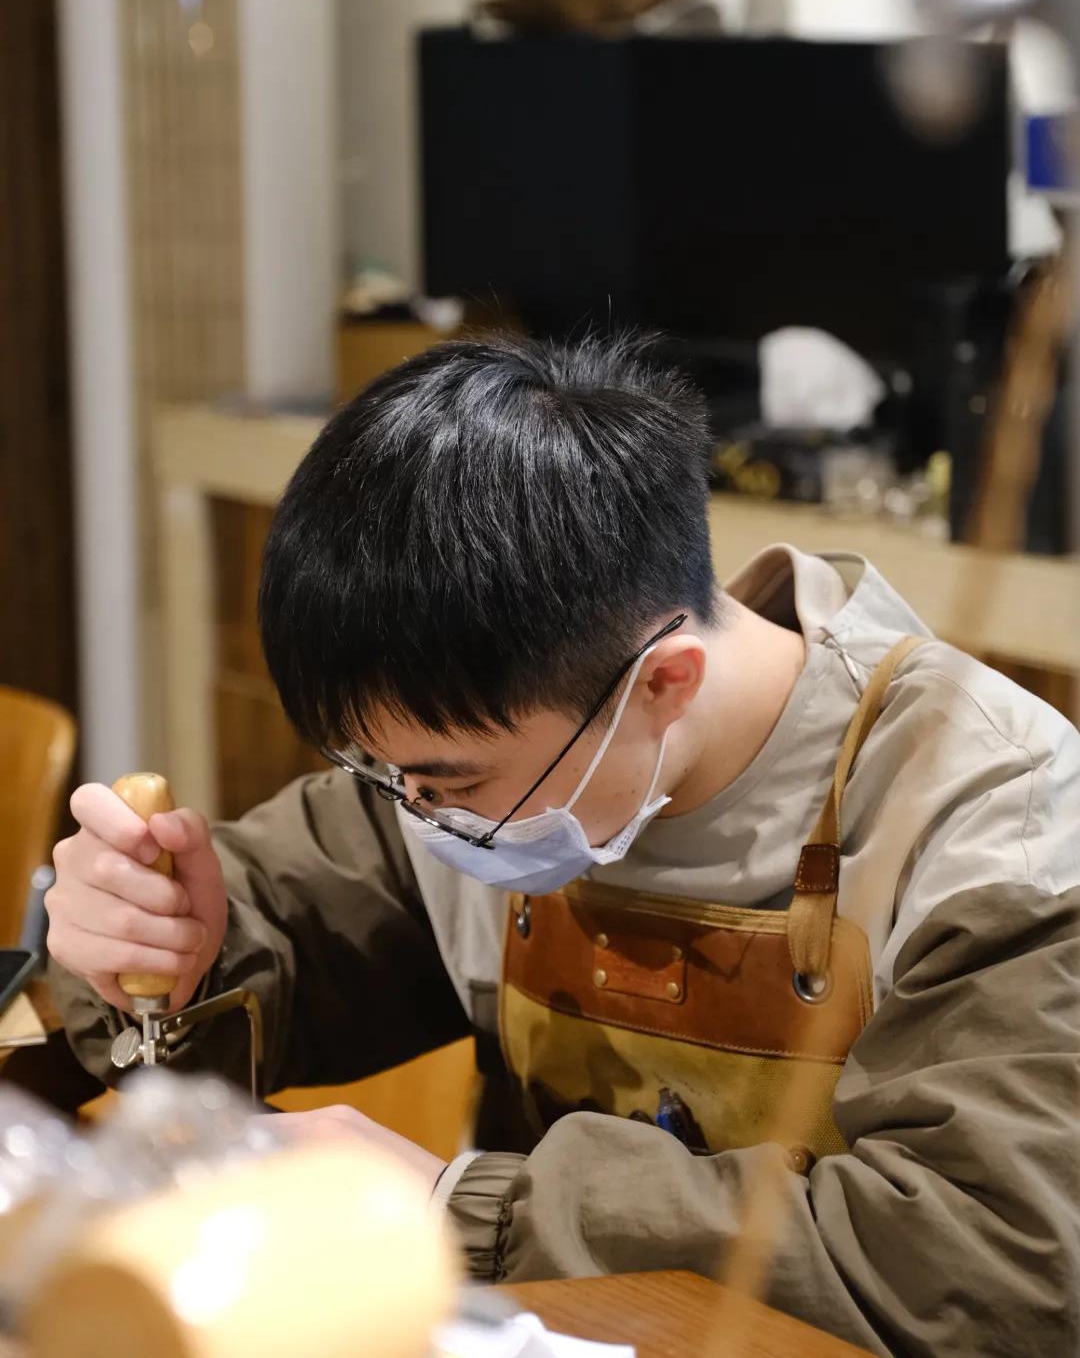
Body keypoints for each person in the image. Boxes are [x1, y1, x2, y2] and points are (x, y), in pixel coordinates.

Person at [48, 335, 1079, 1357]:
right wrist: (158, 948)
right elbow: (259, 923)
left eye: (454, 783)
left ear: (664, 682)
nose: (423, 814)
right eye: (387, 772)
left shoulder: (995, 817)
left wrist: (463, 1207)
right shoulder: (467, 763)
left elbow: (986, 1267)